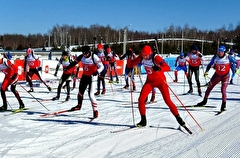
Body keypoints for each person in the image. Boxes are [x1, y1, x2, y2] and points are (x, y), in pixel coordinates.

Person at [131, 45, 186, 127]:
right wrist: (131, 59)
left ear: (149, 53)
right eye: (143, 55)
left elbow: (167, 67)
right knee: (141, 99)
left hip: (161, 82)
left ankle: (178, 118)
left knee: (167, 101)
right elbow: (132, 64)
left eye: (146, 55)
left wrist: (160, 68)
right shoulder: (141, 57)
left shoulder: (156, 58)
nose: (144, 57)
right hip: (149, 82)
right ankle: (143, 120)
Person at [65, 46, 104, 118]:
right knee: (80, 92)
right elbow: (74, 63)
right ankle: (79, 105)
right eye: (83, 53)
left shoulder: (94, 56)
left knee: (91, 95)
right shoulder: (81, 56)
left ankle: (95, 111)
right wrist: (68, 67)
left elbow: (102, 66)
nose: (84, 55)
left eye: (86, 53)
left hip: (92, 77)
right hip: (84, 76)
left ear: (89, 52)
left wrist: (97, 71)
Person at [196, 45, 237, 113]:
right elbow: (210, 64)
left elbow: (236, 62)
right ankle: (204, 101)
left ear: (224, 51)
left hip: (225, 76)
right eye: (219, 51)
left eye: (221, 51)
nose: (219, 53)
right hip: (217, 75)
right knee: (209, 87)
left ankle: (223, 105)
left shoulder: (228, 57)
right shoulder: (215, 57)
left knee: (223, 90)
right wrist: (206, 72)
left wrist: (235, 68)